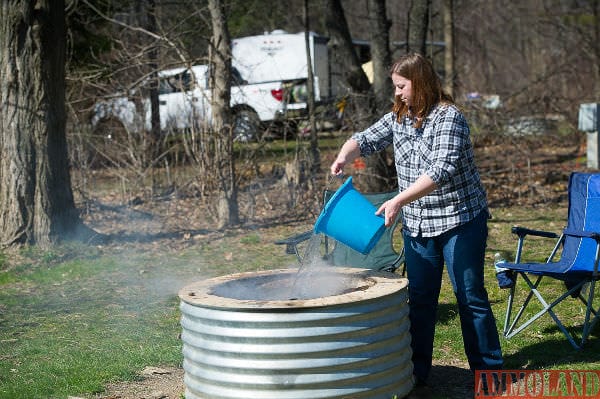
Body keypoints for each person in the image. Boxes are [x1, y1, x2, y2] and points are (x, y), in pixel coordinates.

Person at [330, 53, 503, 386]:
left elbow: (439, 172)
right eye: (395, 86)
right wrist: (344, 154)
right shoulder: (398, 117)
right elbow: (365, 139)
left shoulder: (449, 117)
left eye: (401, 86)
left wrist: (397, 199)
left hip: (459, 220)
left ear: (419, 82)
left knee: (470, 296)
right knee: (421, 299)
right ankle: (416, 373)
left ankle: (489, 374)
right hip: (419, 225)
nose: (397, 93)